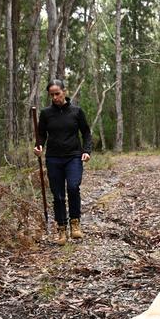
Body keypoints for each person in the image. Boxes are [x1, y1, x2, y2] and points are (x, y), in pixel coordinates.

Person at [34, 79, 92, 245]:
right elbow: (41, 135)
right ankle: (61, 228)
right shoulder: (46, 114)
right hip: (53, 158)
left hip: (73, 156)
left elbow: (86, 133)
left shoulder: (76, 111)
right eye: (51, 95)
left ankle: (75, 223)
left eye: (57, 94)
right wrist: (38, 147)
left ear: (64, 92)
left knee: (73, 187)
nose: (55, 98)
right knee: (58, 194)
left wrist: (87, 151)